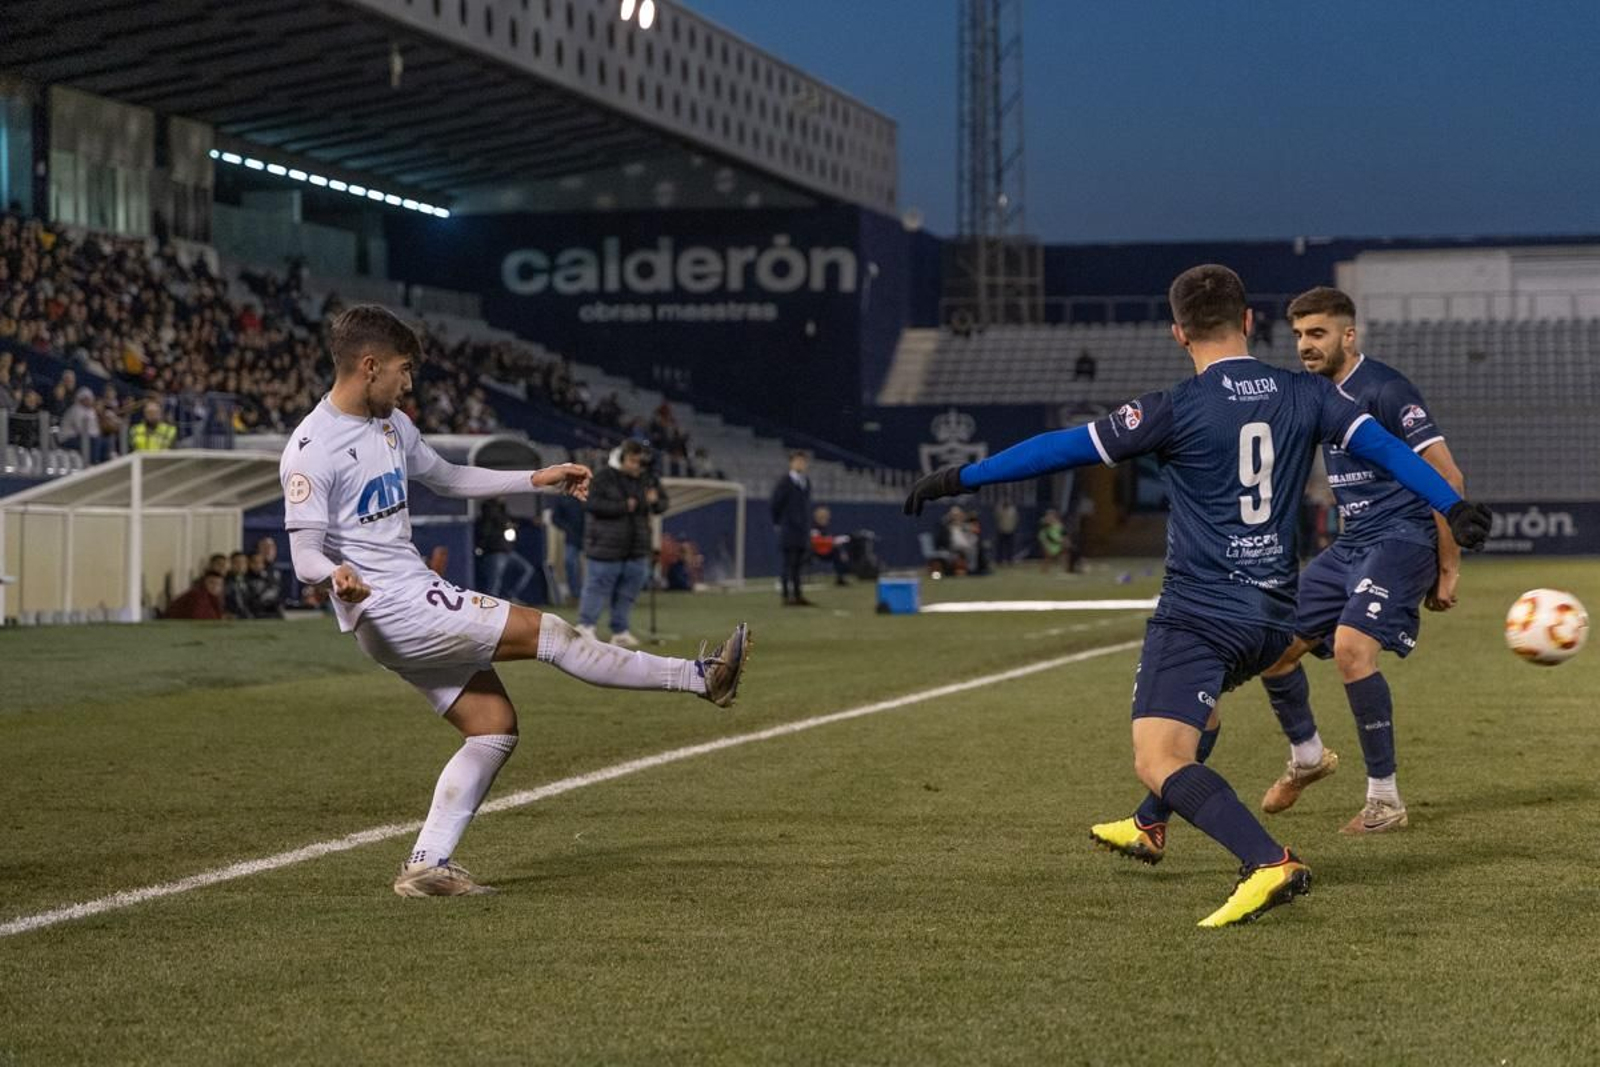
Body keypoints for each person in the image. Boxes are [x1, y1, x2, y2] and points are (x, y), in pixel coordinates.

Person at [903, 264, 1491, 927]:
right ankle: (1149, 825)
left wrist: (960, 477)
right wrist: (1455, 505)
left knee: (1159, 755)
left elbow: (1061, 449)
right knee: (1198, 714)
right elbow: (1386, 447)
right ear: (1249, 322)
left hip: (1200, 613)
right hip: (1272, 619)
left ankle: (1265, 860)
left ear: (1177, 332)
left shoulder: (1172, 407)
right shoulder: (1307, 393)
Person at [282, 305, 750, 898]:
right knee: (552, 633)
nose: (409, 383)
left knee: (492, 728)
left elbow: (450, 477)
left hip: (405, 605)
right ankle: (700, 678)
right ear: (369, 366)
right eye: (403, 370)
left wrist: (536, 478)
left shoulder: (392, 426)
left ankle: (426, 865)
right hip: (393, 605)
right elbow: (304, 557)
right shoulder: (311, 448)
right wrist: (337, 576)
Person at [1251, 287, 1467, 834]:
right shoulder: (1315, 394)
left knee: (1351, 649)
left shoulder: (1386, 389)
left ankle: (1385, 801)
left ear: (1349, 335)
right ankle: (1306, 755)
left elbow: (1448, 478)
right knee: (1271, 649)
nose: (1305, 345)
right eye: (1299, 334)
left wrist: (1448, 566)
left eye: (1317, 333)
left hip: (1404, 538)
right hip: (1351, 543)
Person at [577, 440, 667, 647]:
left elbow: (662, 504)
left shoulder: (647, 479)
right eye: (633, 461)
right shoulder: (602, 477)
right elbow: (590, 504)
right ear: (620, 459)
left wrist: (655, 501)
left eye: (640, 461)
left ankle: (620, 630)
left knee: (628, 593)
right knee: (597, 588)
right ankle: (586, 627)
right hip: (606, 546)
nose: (637, 466)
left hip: (636, 547)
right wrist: (623, 506)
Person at [771, 450, 812, 605]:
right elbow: (775, 504)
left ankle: (798, 595)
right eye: (797, 461)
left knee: (797, 565)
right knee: (788, 564)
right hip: (789, 529)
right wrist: (779, 523)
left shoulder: (805, 482)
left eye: (803, 461)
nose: (800, 464)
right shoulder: (785, 482)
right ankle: (786, 596)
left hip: (801, 531)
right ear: (791, 463)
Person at [475, 497, 536, 603]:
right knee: (494, 583)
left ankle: (510, 596)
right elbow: (492, 526)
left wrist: (528, 522)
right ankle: (490, 605)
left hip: (507, 551)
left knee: (527, 569)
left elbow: (512, 520)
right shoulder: (489, 508)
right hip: (495, 551)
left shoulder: (502, 510)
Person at [547, 481, 586, 605]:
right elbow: (555, 518)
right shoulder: (563, 499)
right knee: (571, 564)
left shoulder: (586, 496)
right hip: (573, 537)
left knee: (591, 567)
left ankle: (589, 595)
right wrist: (567, 528)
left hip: (590, 536)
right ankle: (576, 595)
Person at [809, 506, 851, 586]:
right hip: (816, 552)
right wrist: (831, 541)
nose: (827, 519)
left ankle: (840, 577)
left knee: (838, 552)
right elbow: (815, 541)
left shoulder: (825, 528)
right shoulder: (814, 527)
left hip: (827, 551)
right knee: (836, 552)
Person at [224, 551, 257, 618]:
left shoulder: (251, 580)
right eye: (236, 562)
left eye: (243, 562)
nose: (240, 565)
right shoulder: (225, 581)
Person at [993, 499, 1020, 564]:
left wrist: (1013, 527)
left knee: (1010, 546)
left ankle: (1010, 560)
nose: (1006, 504)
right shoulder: (999, 509)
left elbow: (1016, 519)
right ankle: (999, 560)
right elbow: (996, 517)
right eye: (1005, 503)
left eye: (1007, 503)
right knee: (1000, 546)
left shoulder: (1013, 510)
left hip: (1010, 530)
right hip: (1001, 530)